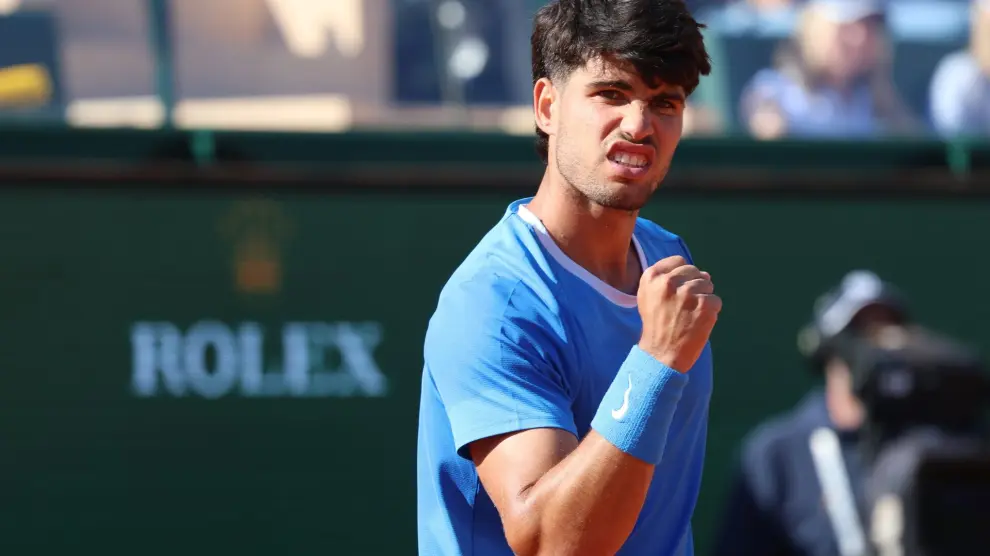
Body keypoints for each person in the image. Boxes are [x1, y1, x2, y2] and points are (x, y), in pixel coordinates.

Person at [416, 1, 717, 555]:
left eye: (664, 103)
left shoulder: (665, 254)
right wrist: (656, 360)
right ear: (547, 106)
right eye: (611, 93)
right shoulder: (494, 303)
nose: (639, 125)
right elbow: (551, 542)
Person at [710, 270, 911, 556]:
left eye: (887, 332)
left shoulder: (928, 444)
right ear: (825, 348)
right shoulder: (776, 455)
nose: (874, 349)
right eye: (859, 332)